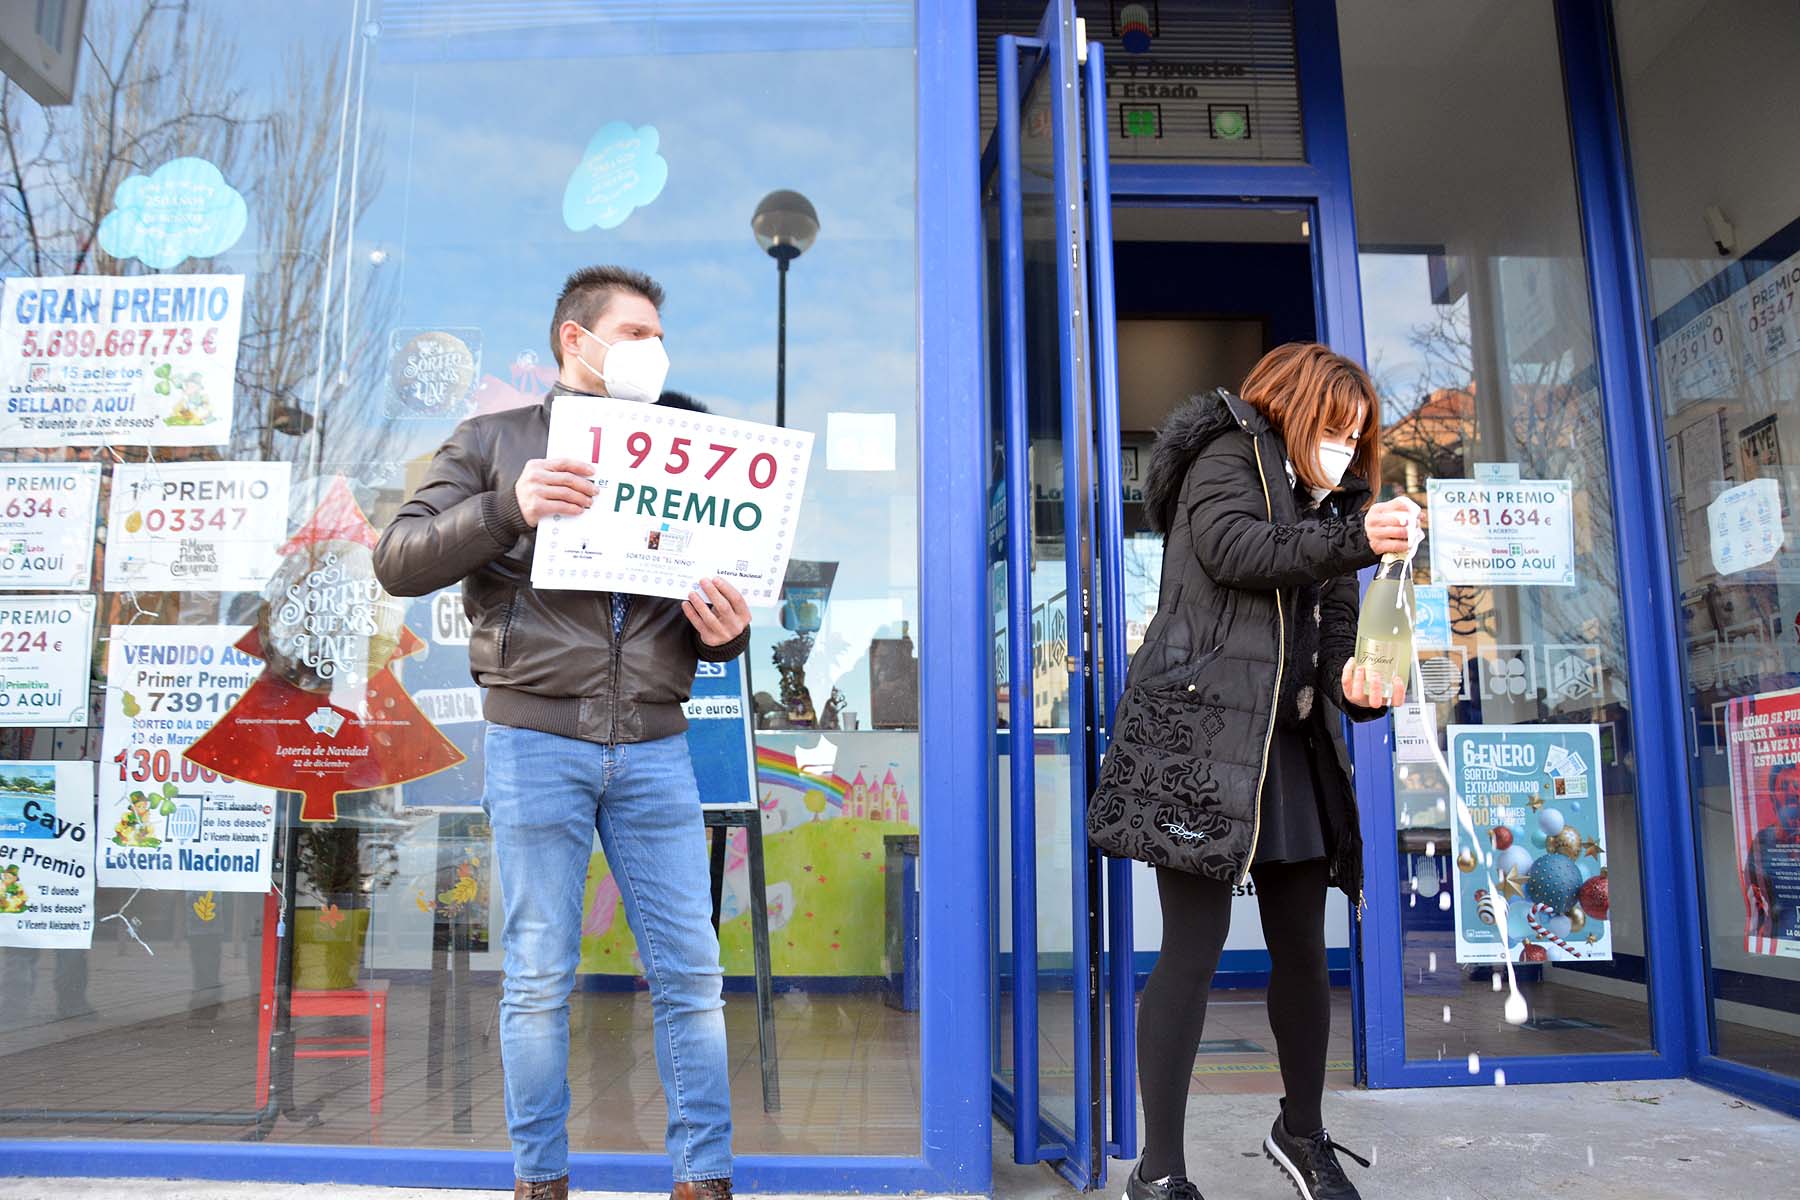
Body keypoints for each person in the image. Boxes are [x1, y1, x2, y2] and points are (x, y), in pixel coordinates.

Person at [374, 266, 750, 1200]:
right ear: (573, 342)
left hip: (658, 747)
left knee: (692, 977)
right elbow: (396, 559)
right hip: (537, 742)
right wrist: (510, 506)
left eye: (658, 333)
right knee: (539, 976)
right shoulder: (496, 443)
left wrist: (729, 632)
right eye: (632, 332)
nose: (651, 349)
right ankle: (539, 1181)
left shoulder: (688, 452)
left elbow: (718, 619)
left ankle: (704, 1179)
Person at [1087, 342, 1420, 1200]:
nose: (1345, 452)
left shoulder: (1338, 508)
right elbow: (1238, 549)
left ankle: (1300, 1132)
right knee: (1191, 954)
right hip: (1201, 742)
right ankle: (1159, 1171)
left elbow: (1341, 647)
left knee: (1305, 954)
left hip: (1294, 755)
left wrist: (1360, 686)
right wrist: (1351, 538)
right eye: (1334, 431)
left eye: (1358, 438)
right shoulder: (1226, 453)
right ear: (1292, 411)